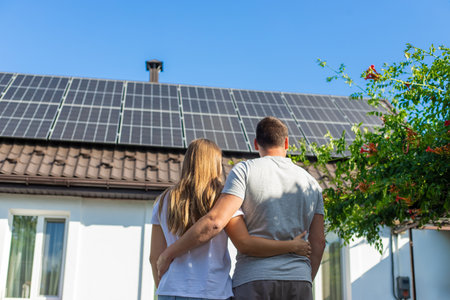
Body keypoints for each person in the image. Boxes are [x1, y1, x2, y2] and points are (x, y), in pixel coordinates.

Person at [157, 117, 326, 300]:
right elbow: (318, 243)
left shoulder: (244, 171)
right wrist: (304, 278)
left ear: (255, 143)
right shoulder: (312, 184)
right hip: (298, 280)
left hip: (253, 280)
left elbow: (215, 222)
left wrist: (168, 255)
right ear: (286, 142)